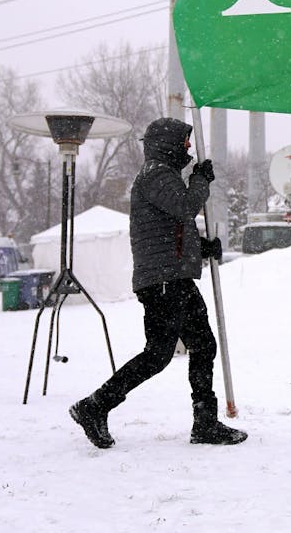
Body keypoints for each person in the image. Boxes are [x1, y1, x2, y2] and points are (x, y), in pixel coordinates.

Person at [69, 117, 246, 449]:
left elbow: (170, 231)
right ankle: (94, 406)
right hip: (164, 282)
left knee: (204, 345)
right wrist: (200, 180)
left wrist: (202, 248)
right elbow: (185, 207)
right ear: (168, 145)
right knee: (158, 354)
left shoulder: (161, 175)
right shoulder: (155, 175)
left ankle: (205, 422)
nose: (189, 149)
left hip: (174, 277)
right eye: (185, 143)